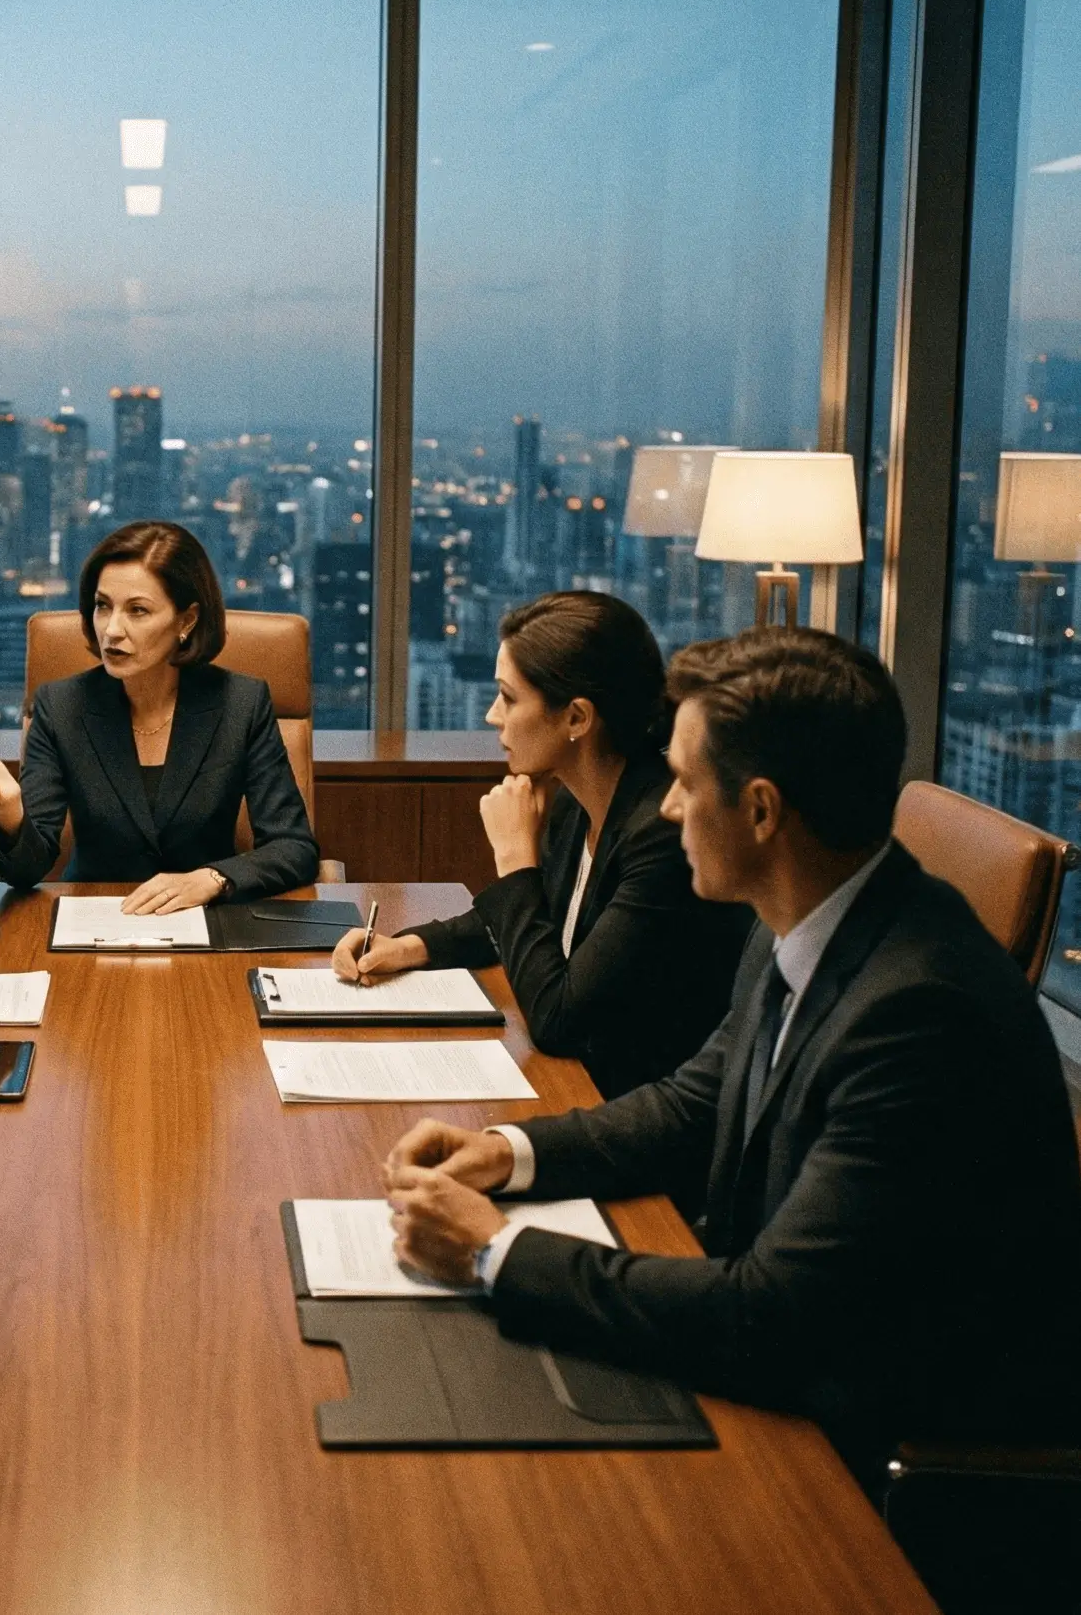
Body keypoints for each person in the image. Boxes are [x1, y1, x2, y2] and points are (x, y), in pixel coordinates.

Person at [380, 627, 1081, 1480]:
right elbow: (693, 1102)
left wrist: (494, 1252)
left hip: (881, 1460)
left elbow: (773, 1320)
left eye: (682, 782)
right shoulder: (811, 918)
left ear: (759, 810)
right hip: (786, 1360)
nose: (667, 808)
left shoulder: (918, 1013)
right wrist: (506, 1153)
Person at [334, 592, 752, 1097]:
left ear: (577, 718)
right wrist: (408, 947)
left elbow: (559, 1020)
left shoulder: (661, 835)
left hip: (632, 1105)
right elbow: (524, 918)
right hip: (585, 1085)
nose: (492, 715)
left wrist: (514, 860)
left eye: (508, 698)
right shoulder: (579, 801)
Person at [0, 521, 319, 905]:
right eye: (103, 606)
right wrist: (10, 810)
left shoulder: (241, 703)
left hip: (209, 923)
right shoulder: (61, 707)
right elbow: (26, 869)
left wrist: (214, 878)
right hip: (91, 921)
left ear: (186, 620)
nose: (112, 630)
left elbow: (294, 847)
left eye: (138, 610)